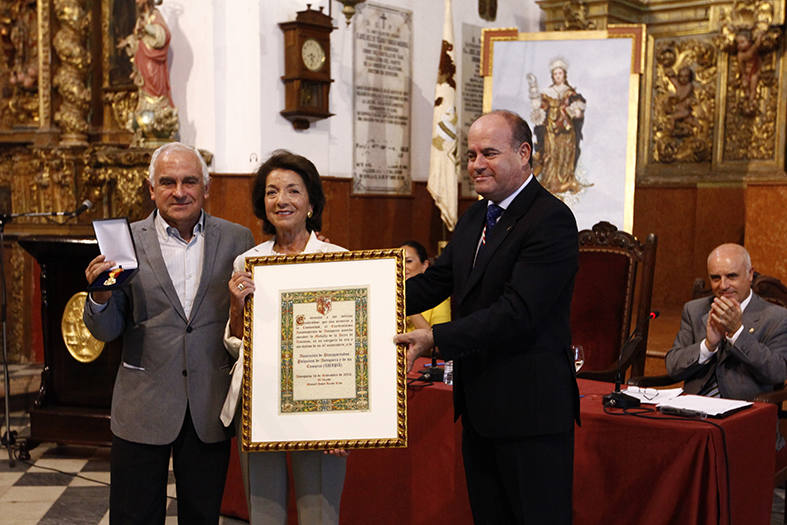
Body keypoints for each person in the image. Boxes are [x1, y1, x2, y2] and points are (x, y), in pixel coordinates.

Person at [394, 110, 579, 524]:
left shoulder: (551, 220)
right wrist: (359, 295)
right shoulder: (477, 215)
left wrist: (433, 339)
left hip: (531, 414)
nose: (476, 164)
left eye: (489, 153)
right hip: (481, 408)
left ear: (524, 153)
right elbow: (433, 282)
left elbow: (516, 313)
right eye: (471, 154)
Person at [82, 142, 255, 523]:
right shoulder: (124, 241)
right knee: (134, 516)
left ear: (206, 188)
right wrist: (98, 296)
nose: (180, 191)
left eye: (190, 181)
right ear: (151, 189)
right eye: (168, 182)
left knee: (202, 516)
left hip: (208, 405)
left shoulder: (238, 240)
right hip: (143, 403)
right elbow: (108, 330)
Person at [220, 150, 348, 525]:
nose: (282, 200)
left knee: (320, 514)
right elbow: (237, 341)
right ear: (263, 204)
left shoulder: (336, 259)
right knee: (263, 514)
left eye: (293, 190)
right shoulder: (248, 261)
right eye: (272, 192)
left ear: (311, 202)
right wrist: (235, 305)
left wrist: (346, 419)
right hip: (260, 400)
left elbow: (347, 346)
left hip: (320, 400)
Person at [666, 243, 787, 400]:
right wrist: (708, 346)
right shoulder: (694, 310)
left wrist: (737, 333)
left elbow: (777, 372)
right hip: (692, 407)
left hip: (743, 410)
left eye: (731, 276)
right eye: (716, 278)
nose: (723, 286)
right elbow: (673, 367)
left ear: (750, 274)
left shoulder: (777, 317)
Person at [529, 57, 587, 195]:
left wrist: (576, 112)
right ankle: (550, 181)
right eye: (555, 74)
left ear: (564, 74)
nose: (558, 76)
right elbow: (539, 107)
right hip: (550, 129)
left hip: (566, 130)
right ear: (552, 76)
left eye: (560, 73)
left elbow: (579, 112)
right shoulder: (547, 92)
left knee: (565, 153)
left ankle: (565, 179)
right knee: (551, 152)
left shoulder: (570, 93)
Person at [400, 240, 450, 332]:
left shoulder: (438, 294)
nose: (403, 266)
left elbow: (437, 343)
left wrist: (407, 300)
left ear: (424, 265)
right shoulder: (392, 297)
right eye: (399, 262)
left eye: (408, 261)